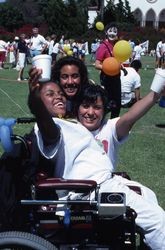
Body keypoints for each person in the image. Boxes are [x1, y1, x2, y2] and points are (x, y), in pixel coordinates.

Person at [27, 72, 165, 250]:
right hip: (90, 190)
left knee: (149, 196)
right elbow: (45, 122)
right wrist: (35, 100)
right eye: (50, 94)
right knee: (159, 222)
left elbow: (130, 117)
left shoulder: (72, 124)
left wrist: (156, 94)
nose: (59, 97)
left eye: (60, 94)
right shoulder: (52, 127)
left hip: (103, 184)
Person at [95, 22, 121, 119]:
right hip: (107, 78)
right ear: (106, 32)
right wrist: (108, 68)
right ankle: (99, 121)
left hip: (116, 77)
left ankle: (113, 125)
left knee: (117, 104)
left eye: (115, 31)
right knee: (108, 103)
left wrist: (119, 66)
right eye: (110, 31)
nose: (112, 33)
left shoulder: (116, 47)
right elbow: (97, 65)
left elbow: (115, 62)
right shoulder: (103, 46)